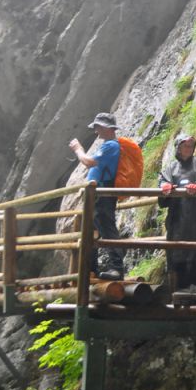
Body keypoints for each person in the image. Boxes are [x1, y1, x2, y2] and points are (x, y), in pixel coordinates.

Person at [68, 112, 125, 280]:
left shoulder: (111, 146)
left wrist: (79, 150)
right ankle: (90, 269)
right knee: (92, 230)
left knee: (106, 227)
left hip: (104, 192)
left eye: (98, 127)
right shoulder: (107, 145)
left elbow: (89, 162)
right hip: (97, 193)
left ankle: (117, 268)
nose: (96, 131)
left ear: (107, 128)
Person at [158, 134, 196, 292]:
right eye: (185, 145)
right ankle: (182, 285)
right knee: (178, 249)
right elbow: (163, 180)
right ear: (178, 148)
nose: (188, 148)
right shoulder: (170, 168)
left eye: (191, 146)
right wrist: (165, 187)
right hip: (178, 215)